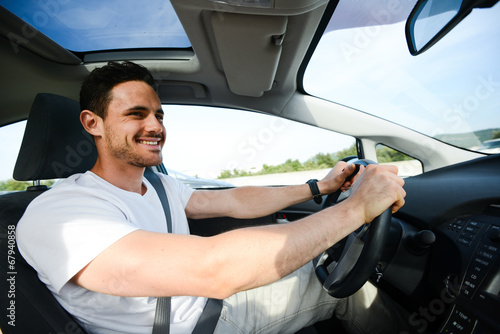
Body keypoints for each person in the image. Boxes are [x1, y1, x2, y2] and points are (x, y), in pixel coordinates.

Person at [17, 61, 407, 334]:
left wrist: (319, 188)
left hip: (205, 306)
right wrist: (356, 209)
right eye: (136, 114)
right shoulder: (58, 214)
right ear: (92, 123)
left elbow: (235, 202)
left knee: (322, 266)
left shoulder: (157, 185)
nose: (155, 126)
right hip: (199, 326)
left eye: (159, 115)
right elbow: (212, 271)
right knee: (340, 289)